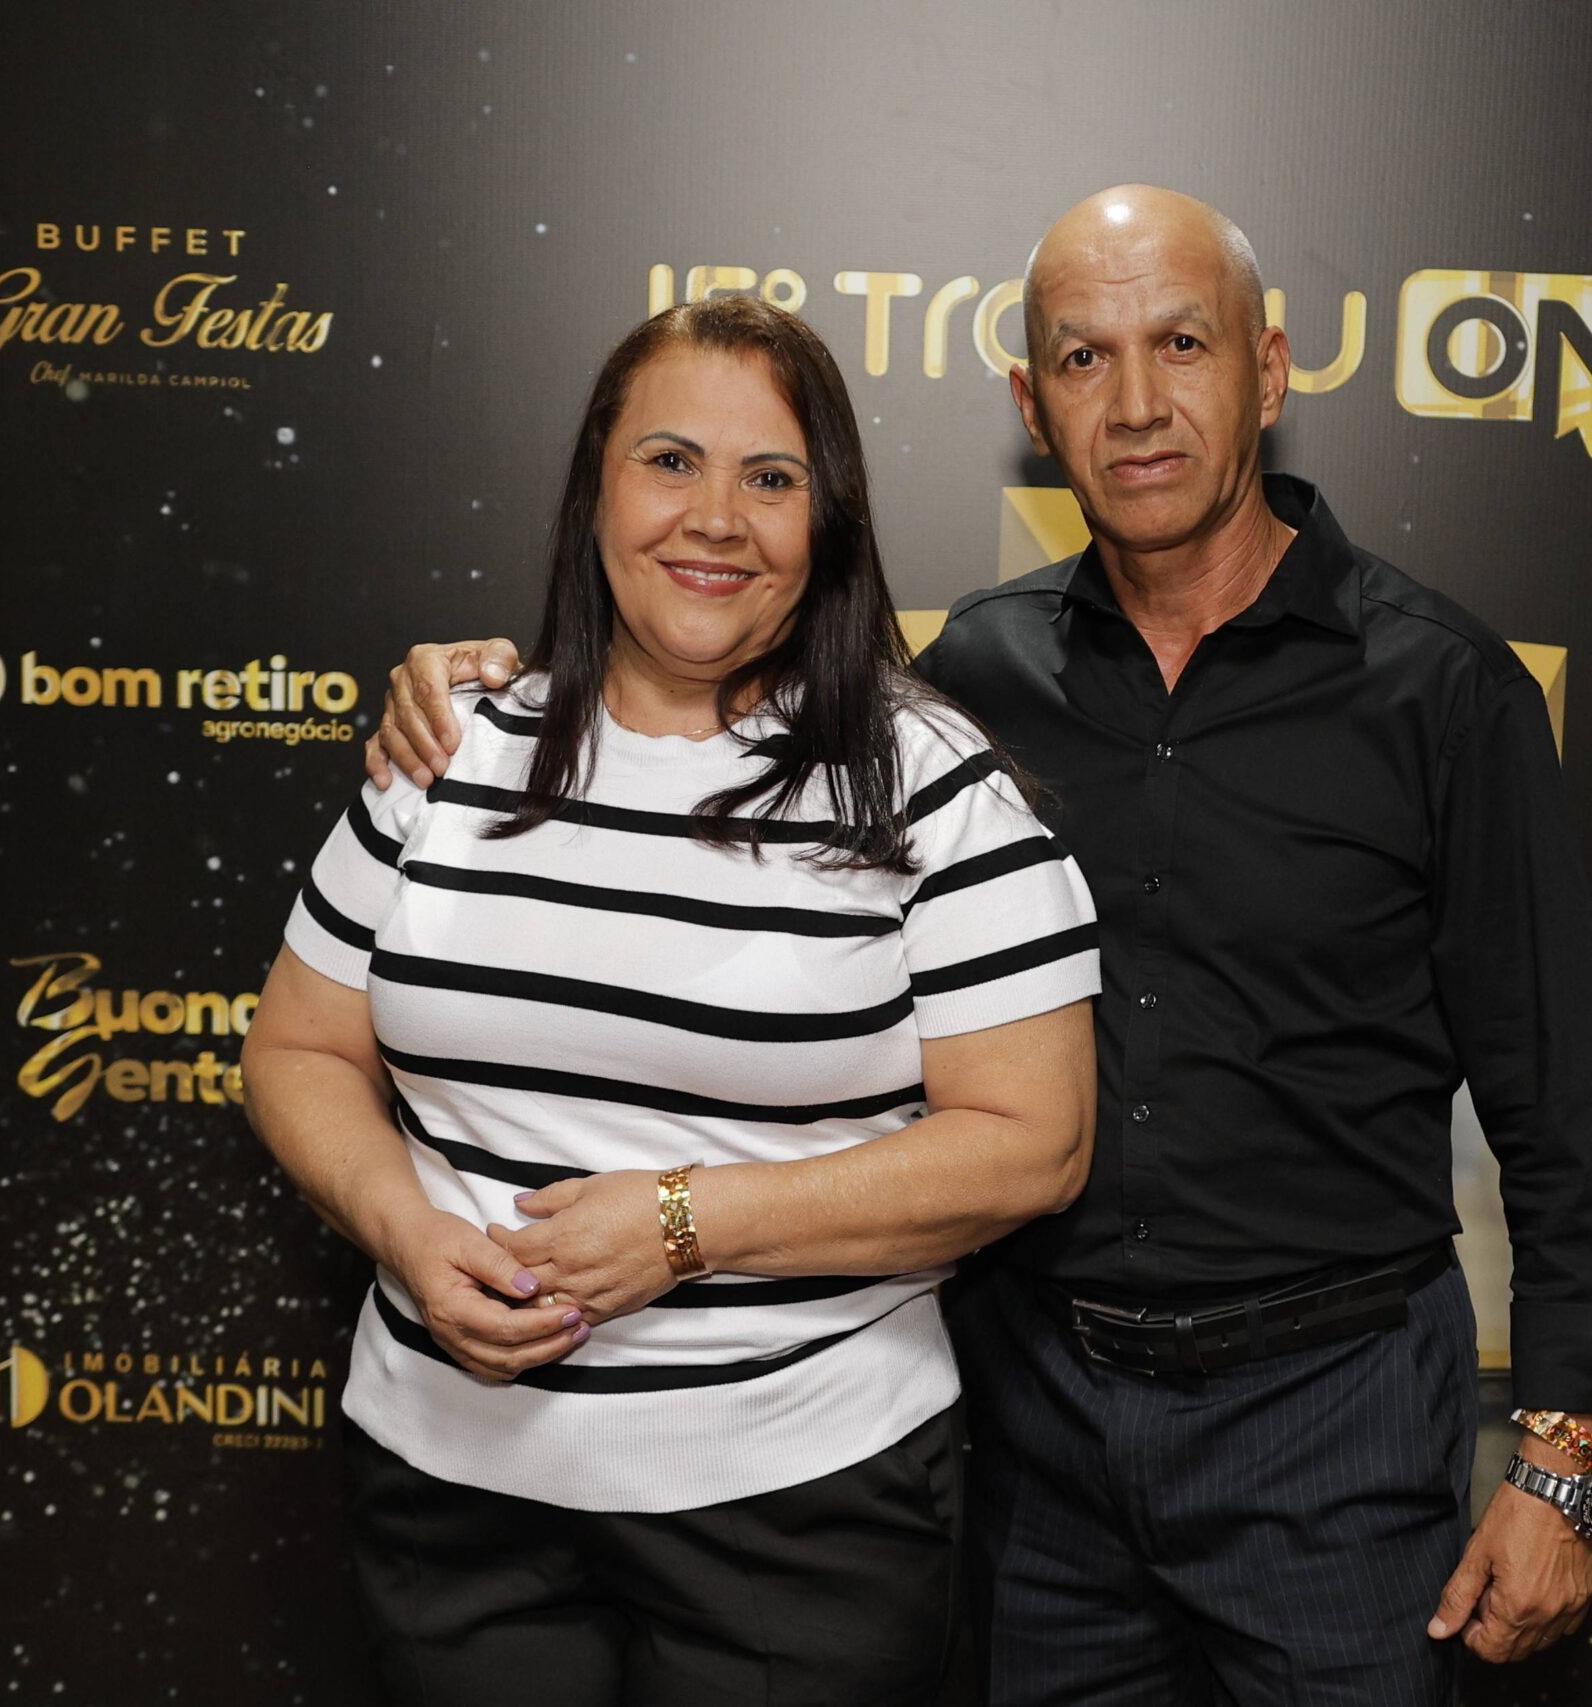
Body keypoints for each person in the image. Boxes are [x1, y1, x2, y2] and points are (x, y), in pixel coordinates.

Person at [370, 186, 1592, 1706]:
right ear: (1031, 404)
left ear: (1270, 370)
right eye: (1083, 357)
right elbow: (700, 702)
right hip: (1036, 1422)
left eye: (1182, 344)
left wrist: (1564, 1460)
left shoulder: (1440, 692)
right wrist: (485, 686)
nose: (1137, 403)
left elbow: (1558, 1108)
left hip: (1335, 1415)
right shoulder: (968, 679)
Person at [243, 294, 1100, 1707]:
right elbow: (296, 1048)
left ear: (828, 522)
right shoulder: (452, 748)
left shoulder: (929, 785)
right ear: (596, 489)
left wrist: (689, 1226)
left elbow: (1033, 1145)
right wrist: (405, 1233)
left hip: (801, 1511)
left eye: (770, 478)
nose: (715, 518)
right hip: (450, 1496)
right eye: (670, 461)